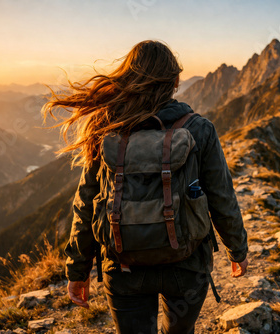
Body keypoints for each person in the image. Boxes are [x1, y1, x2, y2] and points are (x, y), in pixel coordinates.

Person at [43, 40, 249, 334]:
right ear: (175, 81)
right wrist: (237, 249)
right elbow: (221, 197)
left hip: (124, 268)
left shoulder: (106, 127)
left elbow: (87, 202)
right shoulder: (199, 129)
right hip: (186, 265)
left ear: (129, 77)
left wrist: (78, 269)